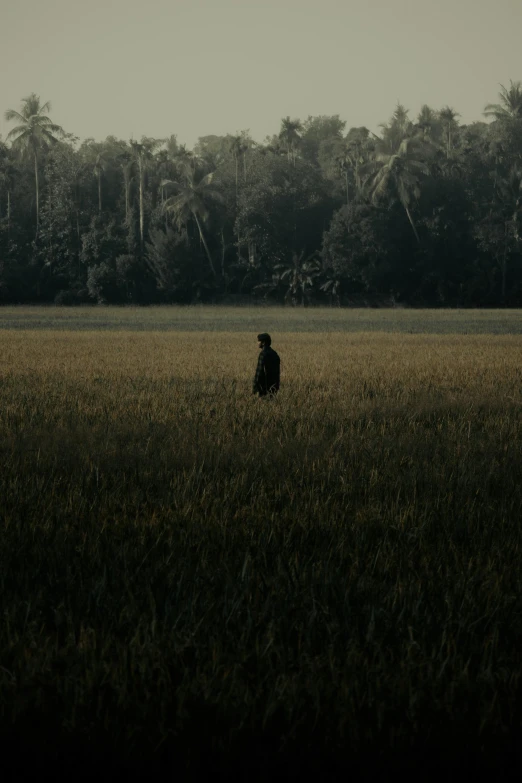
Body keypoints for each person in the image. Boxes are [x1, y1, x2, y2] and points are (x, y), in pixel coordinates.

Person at [253, 333, 280, 398]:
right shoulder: (274, 353)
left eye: (259, 341)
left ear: (263, 342)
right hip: (274, 386)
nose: (257, 343)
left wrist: (255, 387)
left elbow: (259, 372)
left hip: (263, 387)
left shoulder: (263, 354)